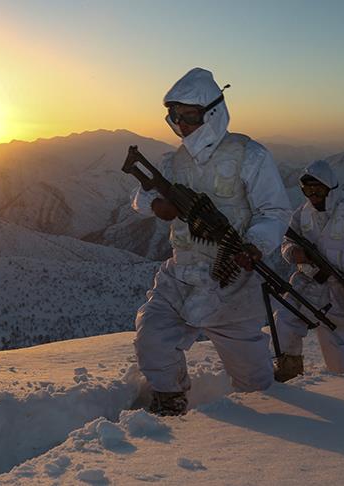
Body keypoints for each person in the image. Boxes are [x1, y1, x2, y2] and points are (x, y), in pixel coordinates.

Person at [129, 67, 292, 415]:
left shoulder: (250, 156)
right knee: (152, 338)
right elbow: (139, 197)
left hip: (232, 278)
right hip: (181, 273)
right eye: (174, 116)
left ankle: (272, 439)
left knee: (254, 382)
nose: (181, 124)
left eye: (189, 116)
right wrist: (158, 206)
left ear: (213, 113)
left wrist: (254, 245)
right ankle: (170, 401)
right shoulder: (172, 162)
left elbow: (276, 211)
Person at [273, 160, 344, 381]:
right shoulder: (301, 214)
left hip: (339, 288)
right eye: (307, 189)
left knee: (336, 347)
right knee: (285, 321)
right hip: (306, 281)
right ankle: (289, 374)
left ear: (330, 188)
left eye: (317, 188)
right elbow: (286, 242)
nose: (312, 194)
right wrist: (294, 253)